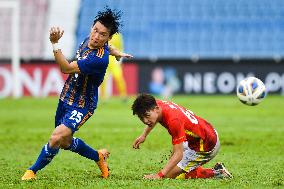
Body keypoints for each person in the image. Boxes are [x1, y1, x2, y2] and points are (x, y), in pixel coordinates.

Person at [21, 8, 132, 180]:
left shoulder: (98, 59)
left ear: (108, 37)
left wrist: (54, 43)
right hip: (66, 96)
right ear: (92, 27)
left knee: (56, 137)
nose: (96, 37)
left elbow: (65, 68)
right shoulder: (91, 39)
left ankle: (31, 171)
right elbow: (106, 45)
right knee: (65, 142)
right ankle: (98, 156)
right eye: (95, 30)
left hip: (83, 104)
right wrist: (115, 51)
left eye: (103, 35)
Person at [131, 93, 232, 179]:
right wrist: (144, 135)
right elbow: (152, 120)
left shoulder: (173, 120)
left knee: (168, 175)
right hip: (205, 132)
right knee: (173, 164)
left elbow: (179, 154)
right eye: (141, 117)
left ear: (156, 109)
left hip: (206, 144)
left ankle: (218, 172)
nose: (145, 121)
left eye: (147, 116)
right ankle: (189, 168)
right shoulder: (156, 105)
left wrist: (159, 175)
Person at [100, 32, 127, 102]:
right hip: (104, 60)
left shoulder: (117, 35)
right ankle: (103, 97)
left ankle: (123, 96)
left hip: (114, 61)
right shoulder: (103, 34)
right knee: (103, 79)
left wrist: (120, 60)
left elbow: (120, 48)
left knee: (118, 77)